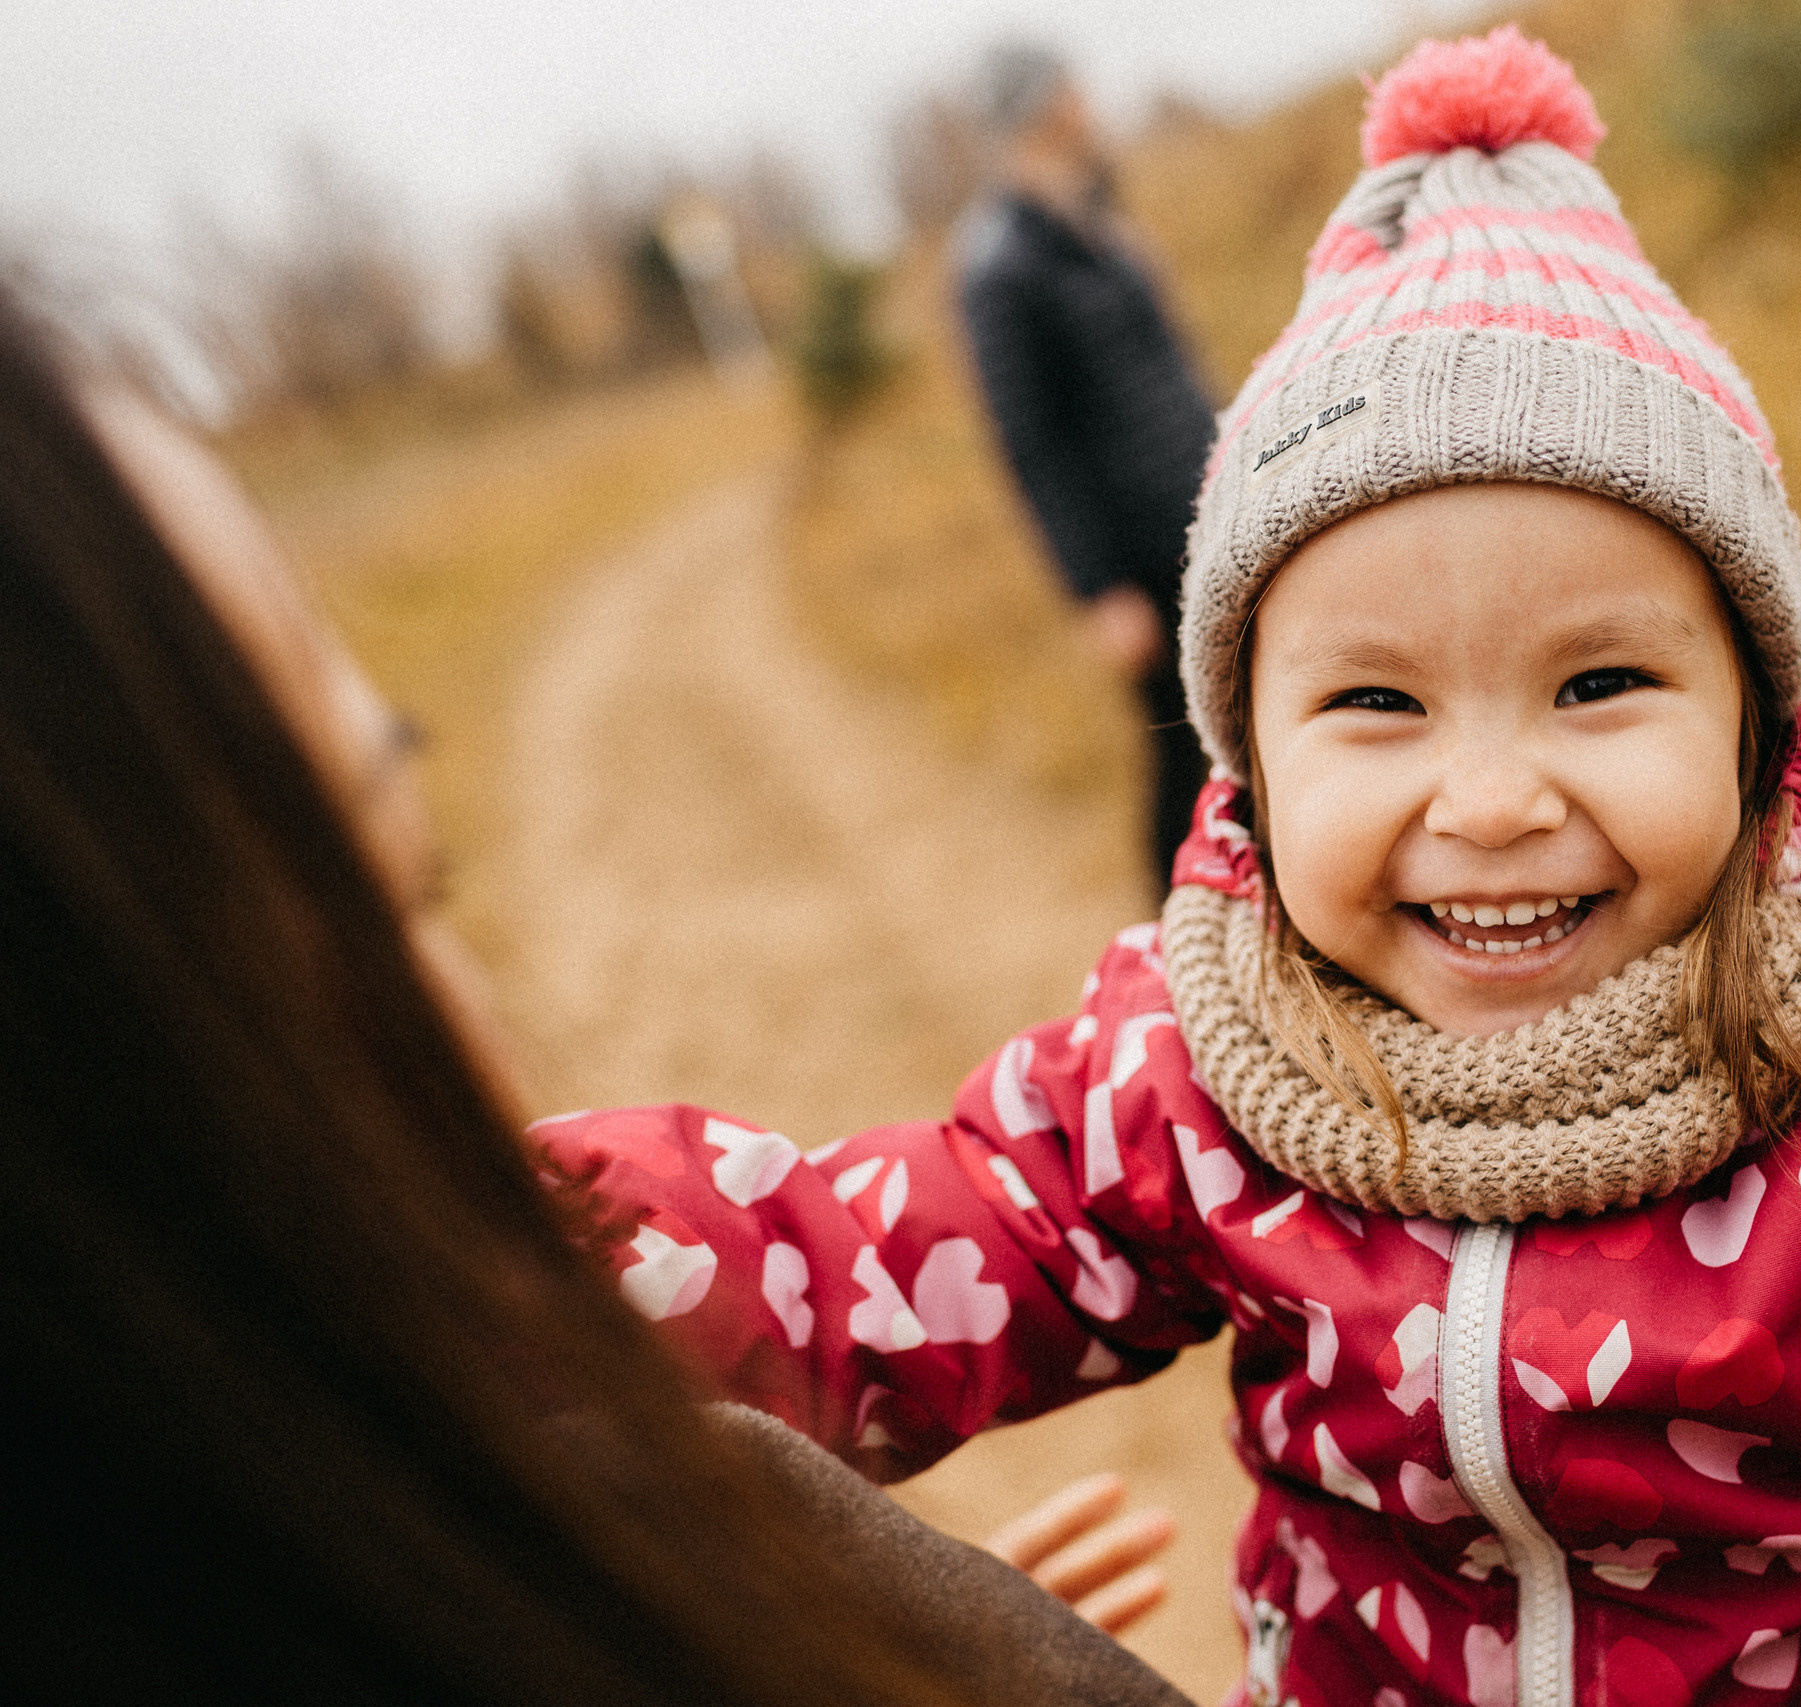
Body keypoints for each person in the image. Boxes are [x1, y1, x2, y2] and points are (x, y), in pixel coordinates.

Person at [533, 29, 1801, 1707]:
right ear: (1241, 747)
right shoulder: (1201, 1066)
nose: (1489, 798)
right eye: (1376, 708)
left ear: (1758, 715)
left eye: (1598, 682)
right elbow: (883, 1258)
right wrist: (559, 1233)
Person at [0, 288, 1189, 1705]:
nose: (469, 1018)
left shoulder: (575, 1311)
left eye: (424, 882)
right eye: (382, 914)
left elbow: (995, 1215)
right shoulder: (528, 1400)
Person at [954, 45, 1216, 894]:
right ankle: (1171, 933)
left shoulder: (1090, 217)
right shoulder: (1000, 264)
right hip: (1138, 551)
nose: (1085, 99)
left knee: (1230, 736)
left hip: (1198, 508)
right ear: (1038, 108)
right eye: (1067, 89)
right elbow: (1032, 445)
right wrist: (1098, 588)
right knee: (1180, 748)